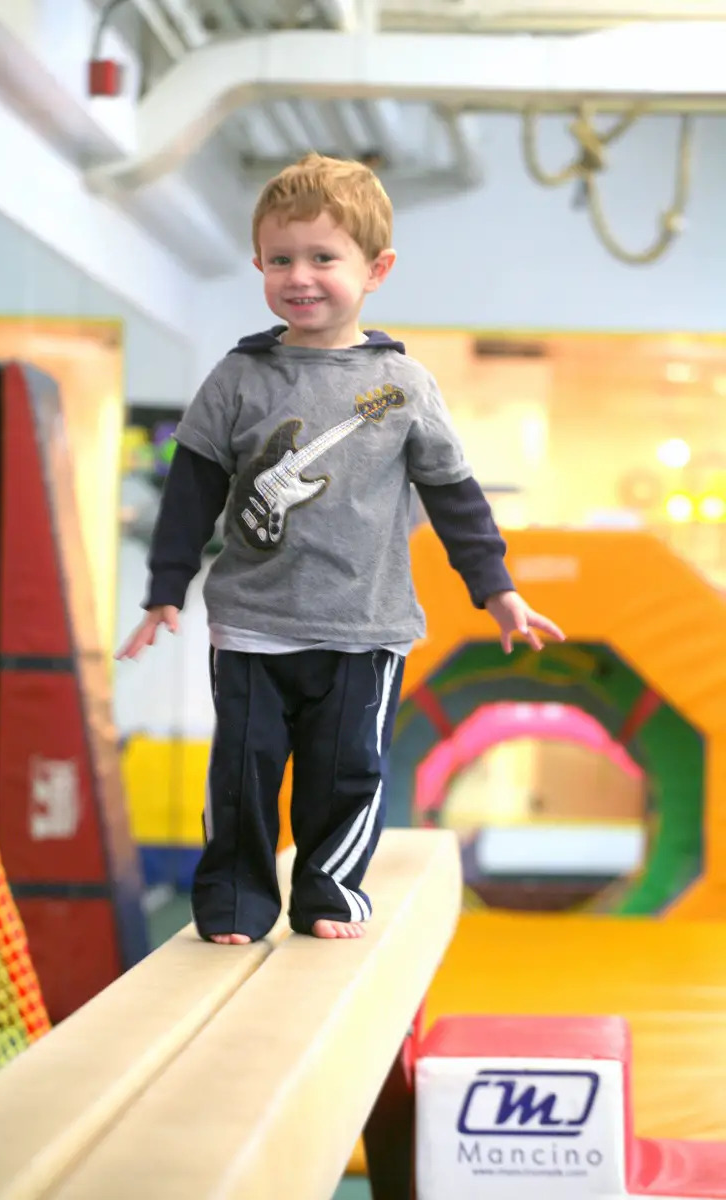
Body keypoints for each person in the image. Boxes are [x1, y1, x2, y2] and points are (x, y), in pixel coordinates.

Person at [117, 153, 564, 945]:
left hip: (365, 627)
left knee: (346, 773)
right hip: (254, 623)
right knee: (242, 773)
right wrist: (164, 588)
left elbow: (454, 496)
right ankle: (234, 900)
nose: (301, 276)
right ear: (258, 262)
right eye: (281, 259)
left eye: (324, 258)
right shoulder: (240, 377)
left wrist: (497, 588)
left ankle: (327, 891)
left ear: (375, 268)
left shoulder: (403, 384)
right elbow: (191, 490)